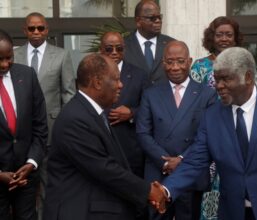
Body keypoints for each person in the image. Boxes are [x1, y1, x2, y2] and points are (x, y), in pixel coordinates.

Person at [156, 47, 257, 220]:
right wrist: (166, 190)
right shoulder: (212, 116)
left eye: (226, 79)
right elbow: (195, 161)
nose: (219, 86)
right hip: (234, 211)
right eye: (217, 79)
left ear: (248, 77)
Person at [43, 53, 166, 220]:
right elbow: (104, 168)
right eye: (115, 79)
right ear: (98, 82)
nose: (121, 85)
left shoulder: (92, 113)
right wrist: (148, 191)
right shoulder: (75, 118)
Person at [136, 40, 217, 220]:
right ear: (163, 63)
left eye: (180, 61)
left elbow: (208, 135)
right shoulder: (151, 93)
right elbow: (142, 133)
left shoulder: (206, 94)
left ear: (189, 61)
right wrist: (164, 162)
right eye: (170, 62)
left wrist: (182, 160)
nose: (175, 67)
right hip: (158, 173)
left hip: (191, 171)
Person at [14, 12, 76, 220]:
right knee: (24, 187)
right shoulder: (15, 55)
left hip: (52, 130)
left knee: (49, 184)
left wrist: (65, 128)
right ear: (25, 31)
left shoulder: (61, 55)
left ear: (47, 30)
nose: (36, 32)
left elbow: (69, 94)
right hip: (21, 132)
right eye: (32, 28)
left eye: (41, 28)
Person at [190, 16, 243, 220]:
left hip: (239, 136)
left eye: (229, 34)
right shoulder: (200, 66)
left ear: (236, 38)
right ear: (212, 38)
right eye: (219, 34)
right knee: (210, 190)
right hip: (209, 135)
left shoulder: (246, 64)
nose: (224, 39)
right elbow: (192, 104)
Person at [99, 31, 148, 220]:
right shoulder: (93, 74)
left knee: (133, 204)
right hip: (101, 149)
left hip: (130, 149)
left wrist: (132, 114)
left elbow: (150, 108)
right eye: (109, 48)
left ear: (124, 49)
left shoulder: (139, 74)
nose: (114, 52)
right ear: (100, 49)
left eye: (119, 48)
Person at [0, 29, 48, 220]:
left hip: (26, 175)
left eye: (8, 58)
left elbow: (40, 126)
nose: (5, 64)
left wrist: (31, 162)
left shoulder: (27, 75)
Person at [124, 0, 174, 85]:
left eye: (159, 17)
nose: (158, 21)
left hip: (162, 97)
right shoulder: (123, 46)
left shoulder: (171, 44)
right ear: (138, 21)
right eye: (152, 18)